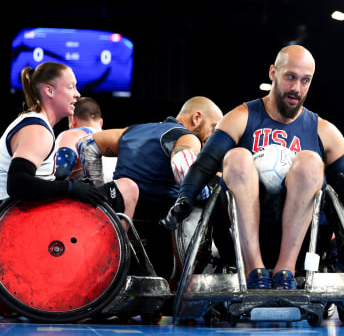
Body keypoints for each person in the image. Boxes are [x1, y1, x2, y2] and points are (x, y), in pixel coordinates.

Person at [160, 45, 344, 290]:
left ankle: (285, 271)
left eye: (305, 81)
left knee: (311, 161)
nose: (297, 88)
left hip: (304, 242)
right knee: (237, 156)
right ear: (273, 73)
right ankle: (255, 270)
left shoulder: (325, 131)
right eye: (290, 77)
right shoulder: (240, 117)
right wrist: (184, 197)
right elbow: (203, 165)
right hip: (239, 240)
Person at [77, 96, 223, 279]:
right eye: (214, 127)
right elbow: (181, 164)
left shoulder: (132, 130)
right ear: (197, 118)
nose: (214, 136)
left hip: (120, 221)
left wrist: (98, 192)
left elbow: (85, 145)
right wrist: (203, 193)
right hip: (161, 233)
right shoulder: (187, 136)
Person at [0, 63, 136, 220]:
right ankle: (120, 243)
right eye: (71, 87)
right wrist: (70, 187)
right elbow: (17, 183)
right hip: (16, 221)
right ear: (49, 90)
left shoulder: (36, 125)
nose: (77, 94)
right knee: (128, 188)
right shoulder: (38, 130)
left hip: (27, 214)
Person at [54, 96, 137, 227]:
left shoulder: (72, 134)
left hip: (86, 211)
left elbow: (61, 169)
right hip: (118, 212)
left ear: (73, 120)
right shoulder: (115, 142)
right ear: (101, 122)